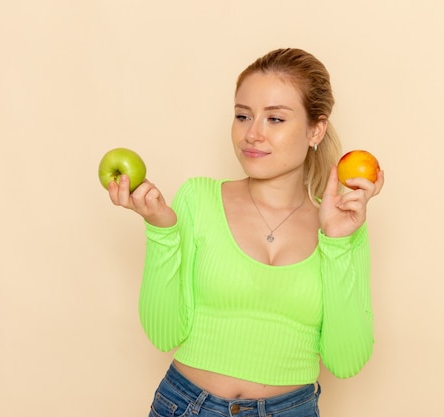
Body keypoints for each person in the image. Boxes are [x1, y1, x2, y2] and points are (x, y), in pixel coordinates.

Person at [107, 48, 384, 417]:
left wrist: (335, 241)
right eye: (242, 116)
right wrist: (161, 231)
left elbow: (346, 360)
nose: (252, 134)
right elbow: (165, 334)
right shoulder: (197, 198)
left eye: (275, 119)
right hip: (186, 405)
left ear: (315, 129)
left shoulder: (343, 225)